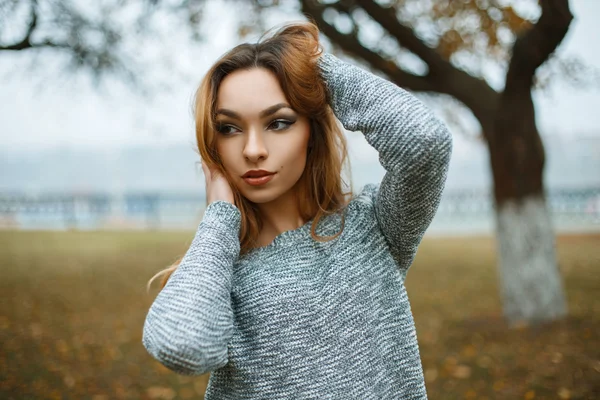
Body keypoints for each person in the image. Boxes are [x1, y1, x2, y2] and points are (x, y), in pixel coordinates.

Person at [142, 20, 452, 399]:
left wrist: (313, 66)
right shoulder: (218, 276)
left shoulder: (374, 228)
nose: (253, 149)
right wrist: (220, 218)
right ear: (212, 146)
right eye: (229, 128)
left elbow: (425, 141)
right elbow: (182, 346)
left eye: (278, 122)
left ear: (311, 133)